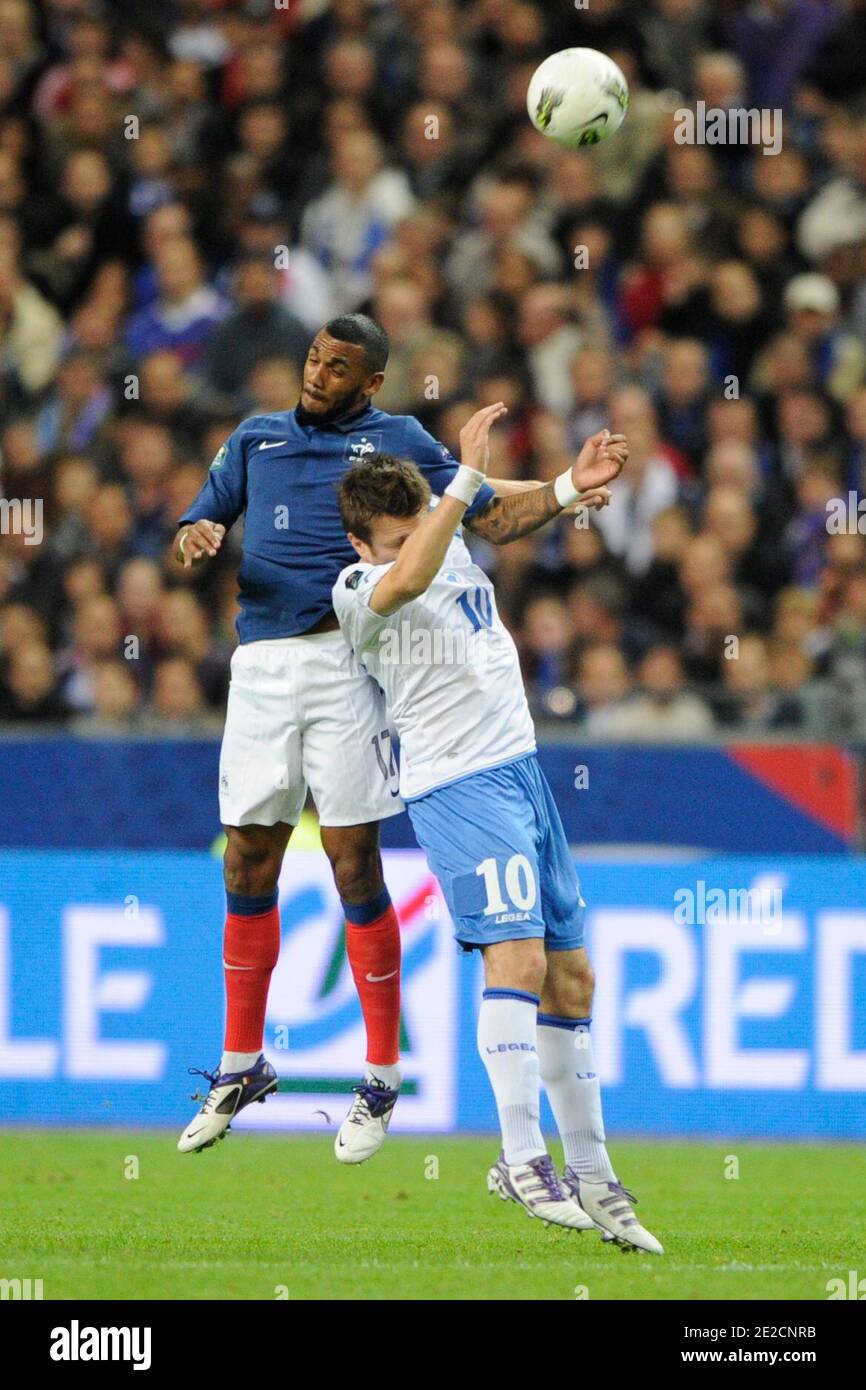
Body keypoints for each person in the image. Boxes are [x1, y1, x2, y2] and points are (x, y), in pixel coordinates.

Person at [174, 314, 601, 1161]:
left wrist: (558, 490)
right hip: (259, 664)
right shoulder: (255, 439)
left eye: (340, 367)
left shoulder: (398, 440)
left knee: (351, 860)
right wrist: (195, 533)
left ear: (371, 383)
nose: (318, 373)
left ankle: (379, 1073)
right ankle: (240, 1060)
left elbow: (479, 512)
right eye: (313, 359)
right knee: (246, 856)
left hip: (348, 661)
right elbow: (198, 519)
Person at [331, 408, 662, 1251]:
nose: (419, 543)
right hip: (456, 785)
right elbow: (413, 571)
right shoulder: (361, 588)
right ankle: (519, 1157)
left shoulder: (443, 537)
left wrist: (563, 487)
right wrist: (463, 483)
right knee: (515, 960)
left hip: (522, 771)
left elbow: (491, 514)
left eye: (422, 525)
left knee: (573, 979)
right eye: (397, 536)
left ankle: (593, 1174)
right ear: (362, 544)